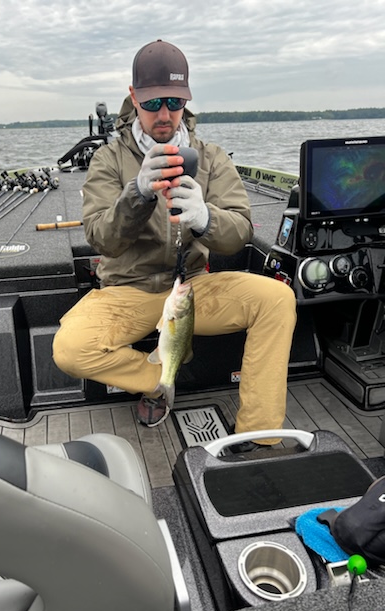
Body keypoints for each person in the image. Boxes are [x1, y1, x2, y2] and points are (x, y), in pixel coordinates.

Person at [52, 39, 297, 449]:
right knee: (70, 349)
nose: (164, 114)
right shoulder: (108, 160)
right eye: (152, 103)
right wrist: (137, 194)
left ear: (186, 100)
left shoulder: (211, 157)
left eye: (174, 101)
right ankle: (157, 381)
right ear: (134, 98)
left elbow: (239, 232)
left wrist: (205, 218)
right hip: (128, 290)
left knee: (277, 299)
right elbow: (100, 237)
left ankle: (260, 432)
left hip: (192, 289)